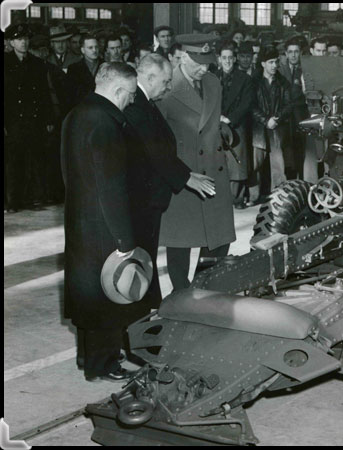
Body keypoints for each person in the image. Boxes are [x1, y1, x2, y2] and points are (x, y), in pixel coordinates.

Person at [61, 62, 148, 382]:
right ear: (118, 90)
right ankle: (105, 362)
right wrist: (125, 240)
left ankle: (86, 356)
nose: (132, 102)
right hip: (104, 227)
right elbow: (112, 188)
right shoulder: (107, 124)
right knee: (108, 295)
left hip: (79, 219)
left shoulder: (75, 115)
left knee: (85, 293)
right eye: (131, 95)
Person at [124, 53, 216, 307]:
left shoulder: (146, 101)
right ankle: (144, 310)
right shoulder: (137, 105)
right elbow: (153, 149)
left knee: (146, 256)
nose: (168, 86)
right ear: (150, 77)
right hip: (141, 197)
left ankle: (148, 306)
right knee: (142, 257)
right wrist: (185, 177)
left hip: (150, 195)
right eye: (165, 81)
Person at [155, 34, 235, 290]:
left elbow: (213, 124)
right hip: (185, 174)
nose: (205, 69)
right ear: (184, 56)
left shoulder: (213, 82)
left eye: (208, 63)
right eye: (199, 63)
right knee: (181, 241)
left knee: (218, 239)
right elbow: (156, 136)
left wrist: (226, 132)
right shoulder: (167, 87)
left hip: (214, 170)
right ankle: (181, 293)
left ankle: (204, 288)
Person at [4, 24, 54, 212]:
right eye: (19, 39)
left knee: (35, 159)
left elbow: (44, 94)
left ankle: (34, 198)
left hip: (34, 119)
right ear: (11, 42)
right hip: (13, 120)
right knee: (14, 161)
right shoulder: (5, 62)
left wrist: (49, 119)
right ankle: (13, 201)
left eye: (25, 39)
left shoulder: (37, 63)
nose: (23, 42)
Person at [250, 46, 293, 202]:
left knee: (278, 164)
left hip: (276, 128)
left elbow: (289, 105)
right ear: (262, 64)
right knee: (255, 165)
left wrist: (277, 119)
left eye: (276, 62)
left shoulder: (283, 82)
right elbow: (251, 105)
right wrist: (264, 120)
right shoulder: (253, 81)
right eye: (270, 62)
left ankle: (278, 197)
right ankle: (253, 196)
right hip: (258, 129)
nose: (274, 65)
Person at [216, 41, 254, 208]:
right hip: (215, 124)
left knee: (236, 163)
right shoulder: (211, 77)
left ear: (235, 59)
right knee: (217, 162)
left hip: (235, 125)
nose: (227, 61)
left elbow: (246, 103)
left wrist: (229, 119)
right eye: (224, 58)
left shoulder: (245, 79)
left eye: (230, 58)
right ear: (219, 59)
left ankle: (236, 198)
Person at [279, 36, 309, 180]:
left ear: (300, 53)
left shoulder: (305, 70)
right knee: (286, 152)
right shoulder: (280, 70)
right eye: (290, 52)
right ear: (285, 53)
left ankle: (301, 183)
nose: (293, 55)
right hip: (284, 118)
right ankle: (289, 182)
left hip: (301, 117)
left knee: (300, 152)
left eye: (296, 51)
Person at [66, 34, 101, 109]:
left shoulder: (105, 65)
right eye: (90, 48)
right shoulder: (74, 69)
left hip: (102, 108)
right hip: (83, 109)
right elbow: (72, 95)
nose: (94, 50)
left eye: (96, 47)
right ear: (82, 50)